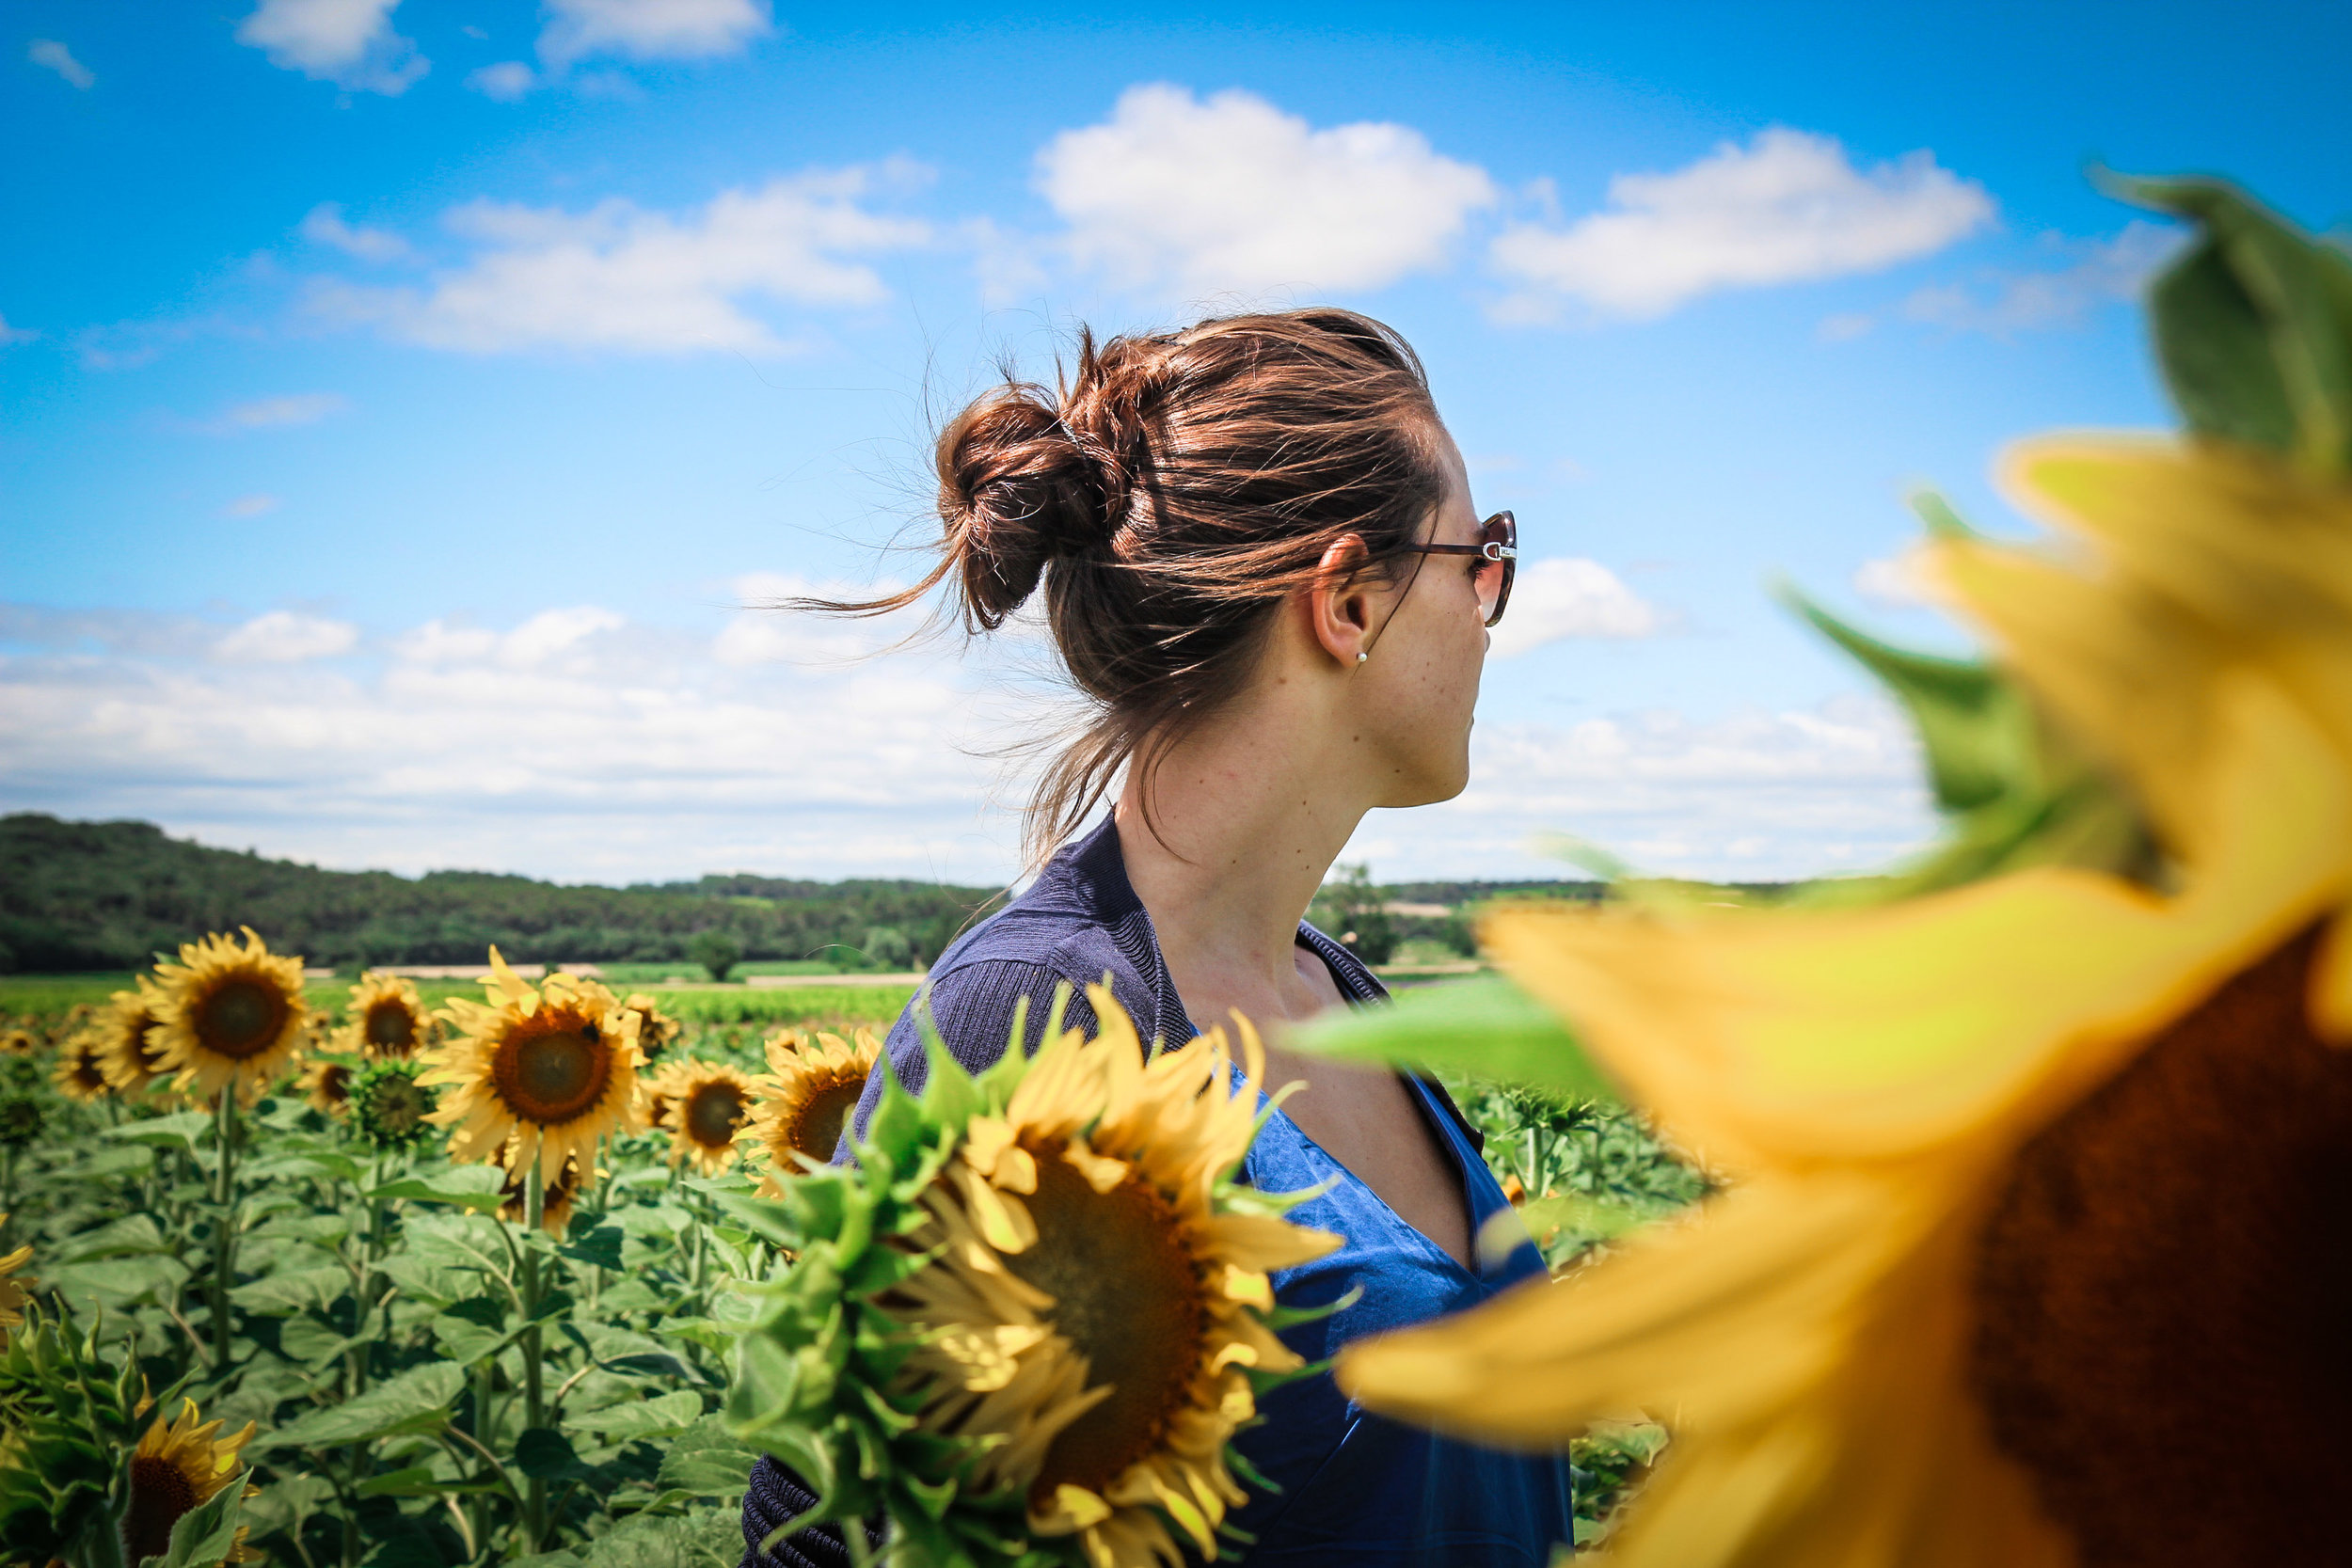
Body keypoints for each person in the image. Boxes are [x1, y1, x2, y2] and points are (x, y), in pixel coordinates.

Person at [740, 309, 1573, 1566]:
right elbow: (819, 1538)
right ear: (1348, 599)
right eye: (1482, 555)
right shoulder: (1034, 1014)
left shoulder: (1332, 989)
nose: (1488, 608)